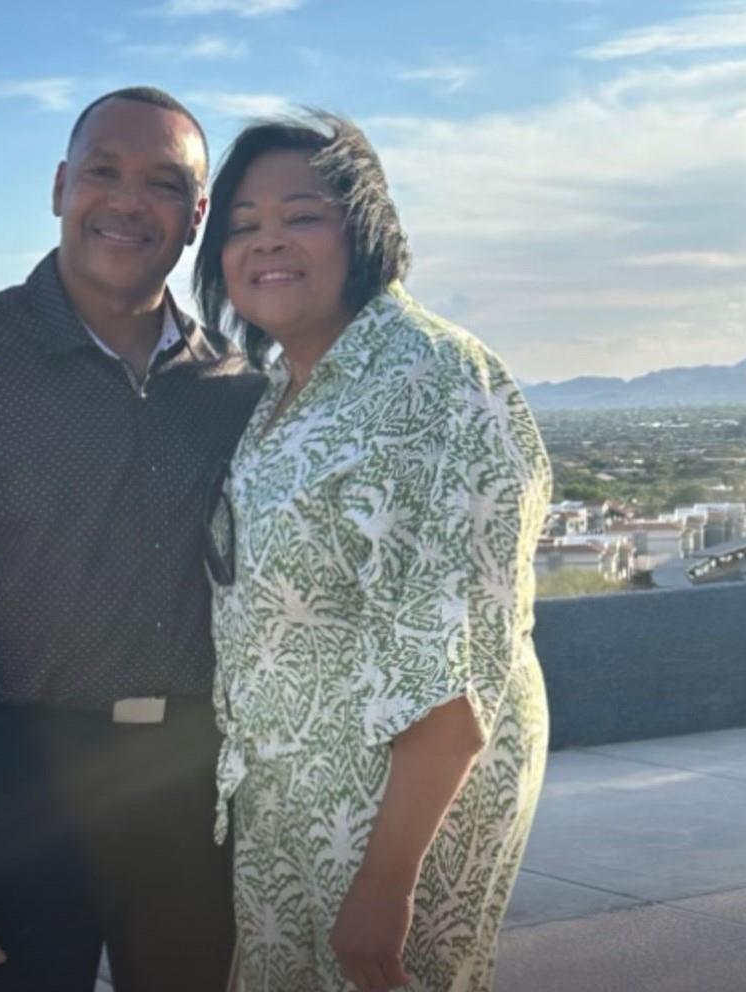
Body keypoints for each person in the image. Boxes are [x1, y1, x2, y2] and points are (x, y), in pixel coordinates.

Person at [0, 86, 265, 992]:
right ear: (58, 187)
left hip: (193, 785)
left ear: (195, 217)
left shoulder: (239, 391)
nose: (126, 201)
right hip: (16, 787)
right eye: (102, 172)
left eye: (162, 184)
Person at [194, 113, 552, 992]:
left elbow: (453, 672)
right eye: (241, 224)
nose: (267, 241)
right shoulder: (290, 379)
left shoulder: (427, 377)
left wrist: (385, 887)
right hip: (294, 804)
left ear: (363, 229)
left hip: (392, 816)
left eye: (300, 215)